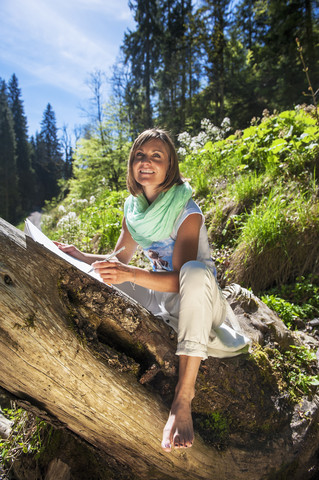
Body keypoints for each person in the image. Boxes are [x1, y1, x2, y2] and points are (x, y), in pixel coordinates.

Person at [55, 128, 250, 453]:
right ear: (132, 164)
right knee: (101, 276)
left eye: (156, 156)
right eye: (140, 156)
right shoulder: (134, 212)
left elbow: (180, 280)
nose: (146, 162)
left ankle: (182, 398)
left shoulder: (186, 211)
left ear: (170, 165)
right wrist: (81, 255)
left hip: (201, 298)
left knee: (195, 271)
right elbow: (118, 260)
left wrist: (128, 272)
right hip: (161, 297)